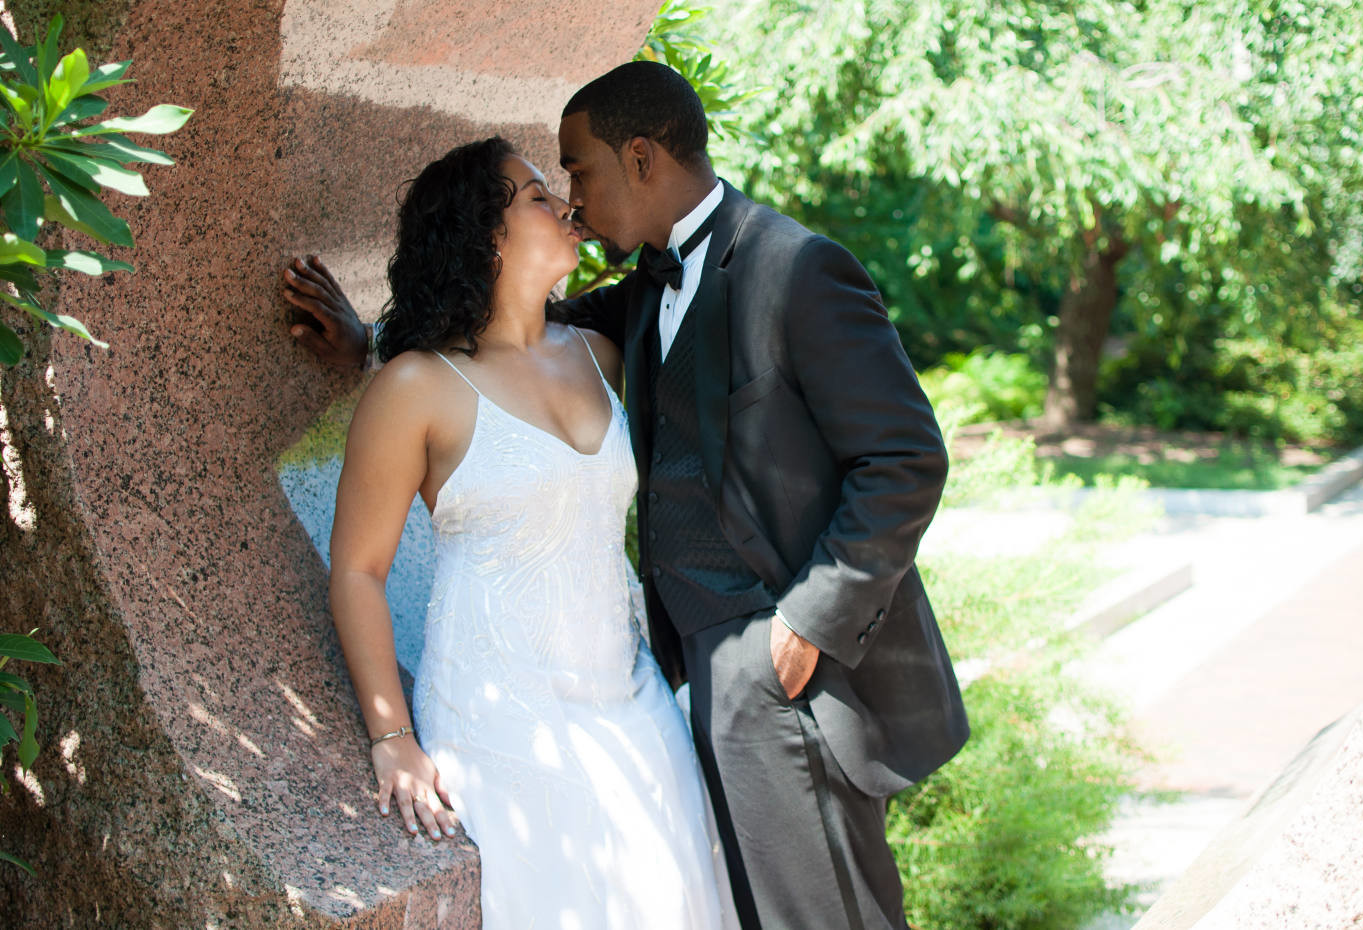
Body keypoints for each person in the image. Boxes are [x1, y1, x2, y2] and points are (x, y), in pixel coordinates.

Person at [287, 62, 968, 930]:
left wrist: (809, 620)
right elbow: (483, 348)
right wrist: (368, 344)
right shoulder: (629, 305)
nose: (570, 200)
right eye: (548, 187)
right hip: (601, 696)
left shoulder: (788, 273)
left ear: (641, 158)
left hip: (761, 664)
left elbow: (905, 456)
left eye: (575, 172)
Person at [315, 136, 738, 929]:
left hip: (634, 701)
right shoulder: (413, 387)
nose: (566, 207)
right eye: (537, 196)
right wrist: (391, 737)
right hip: (500, 718)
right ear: (484, 233)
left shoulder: (605, 353)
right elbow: (358, 570)